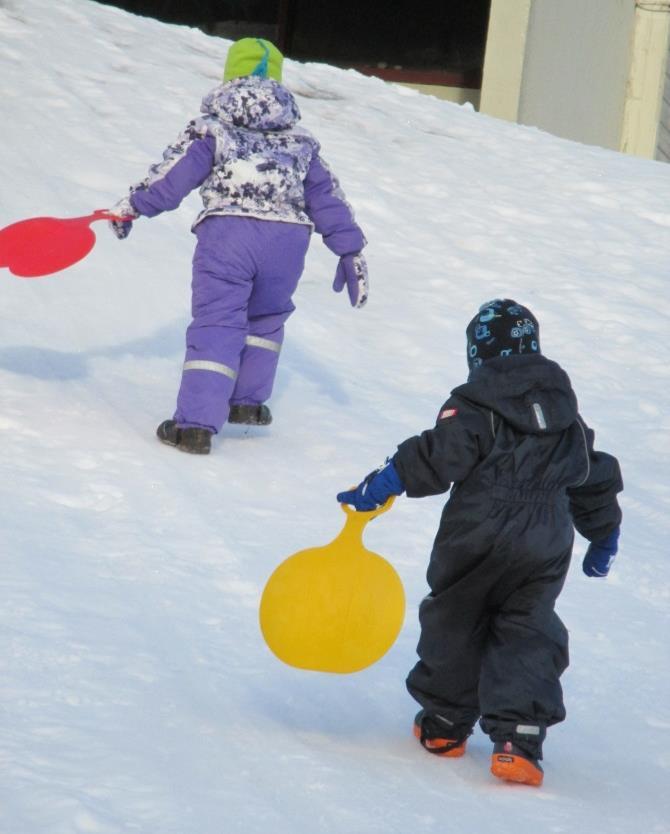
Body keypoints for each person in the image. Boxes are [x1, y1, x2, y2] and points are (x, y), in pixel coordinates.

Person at [337, 299, 622, 787]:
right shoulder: (567, 418)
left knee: (455, 617)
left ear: (478, 355)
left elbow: (438, 453)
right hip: (543, 541)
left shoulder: (476, 406)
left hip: (475, 534)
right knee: (528, 629)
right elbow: (593, 476)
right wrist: (603, 535)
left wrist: (385, 480)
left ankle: (446, 724)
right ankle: (519, 739)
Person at [108, 37, 367, 455]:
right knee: (265, 319)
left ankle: (195, 426)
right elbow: (328, 198)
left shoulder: (212, 129)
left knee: (219, 322)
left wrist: (134, 206)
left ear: (231, 76)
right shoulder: (300, 142)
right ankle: (246, 404)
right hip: (287, 241)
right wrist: (349, 249)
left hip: (229, 235)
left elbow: (172, 178)